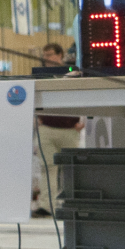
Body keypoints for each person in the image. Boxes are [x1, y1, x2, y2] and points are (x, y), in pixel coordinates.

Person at [32, 42, 83, 217]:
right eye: (44, 55)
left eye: (50, 54)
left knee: (72, 168)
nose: (47, 58)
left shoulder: (73, 72)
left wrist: (84, 119)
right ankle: (47, 206)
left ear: (60, 55)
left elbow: (82, 94)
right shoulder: (40, 75)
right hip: (46, 127)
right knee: (48, 168)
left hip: (69, 128)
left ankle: (75, 203)